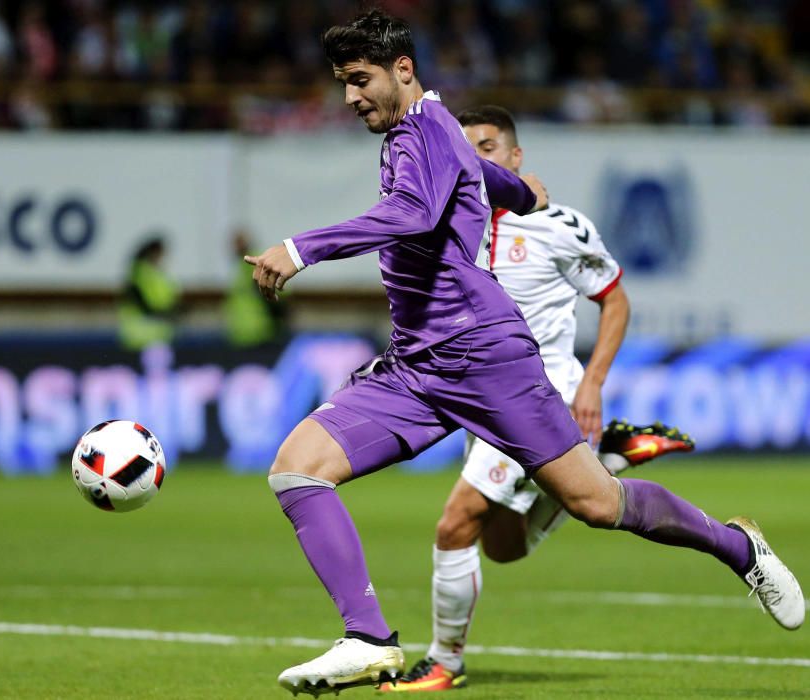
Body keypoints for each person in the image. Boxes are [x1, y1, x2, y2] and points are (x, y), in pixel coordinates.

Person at [243, 10, 803, 697]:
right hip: (418, 367)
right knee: (297, 470)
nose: (350, 97)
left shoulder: (425, 129)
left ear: (403, 71)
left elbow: (414, 213)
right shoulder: (424, 132)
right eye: (343, 83)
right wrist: (516, 191)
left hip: (486, 358)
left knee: (597, 505)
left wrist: (301, 248)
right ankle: (367, 638)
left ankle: (737, 547)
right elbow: (481, 180)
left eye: (359, 80)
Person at [381, 105, 693, 693]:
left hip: (537, 396)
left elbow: (615, 299)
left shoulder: (557, 224)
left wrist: (594, 382)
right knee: (502, 547)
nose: (478, 159)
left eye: (490, 147)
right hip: (481, 399)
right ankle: (606, 462)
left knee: (455, 525)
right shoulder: (450, 227)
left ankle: (445, 662)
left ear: (517, 158)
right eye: (467, 150)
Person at [118, 235, 182, 351]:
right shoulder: (139, 274)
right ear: (153, 253)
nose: (163, 258)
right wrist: (166, 314)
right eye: (161, 254)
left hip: (158, 338)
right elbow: (141, 304)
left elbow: (167, 301)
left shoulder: (158, 275)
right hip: (139, 339)